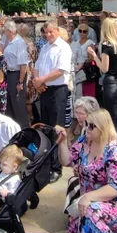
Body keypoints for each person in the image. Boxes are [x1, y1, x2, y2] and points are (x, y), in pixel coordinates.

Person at [33, 20, 73, 183]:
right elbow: (37, 66)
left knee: (57, 128)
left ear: (57, 31)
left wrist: (41, 79)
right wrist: (37, 81)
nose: (48, 35)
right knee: (47, 128)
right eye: (46, 32)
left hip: (58, 91)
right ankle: (48, 163)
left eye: (51, 32)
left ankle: (57, 167)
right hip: (45, 90)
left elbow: (60, 71)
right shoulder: (45, 47)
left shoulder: (63, 47)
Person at [91, 17, 117, 141]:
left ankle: (116, 145)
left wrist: (95, 57)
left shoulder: (106, 45)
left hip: (111, 84)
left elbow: (104, 68)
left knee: (113, 118)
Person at [1, 21, 29, 127]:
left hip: (16, 74)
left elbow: (23, 65)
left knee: (18, 105)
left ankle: (23, 129)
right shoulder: (10, 42)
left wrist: (20, 82)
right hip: (9, 74)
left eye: (5, 31)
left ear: (9, 31)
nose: (4, 34)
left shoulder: (19, 42)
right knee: (10, 105)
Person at [72, 23, 98, 100]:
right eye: (80, 31)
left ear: (87, 32)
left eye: (84, 31)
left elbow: (91, 58)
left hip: (86, 71)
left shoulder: (90, 43)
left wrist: (82, 62)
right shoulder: (76, 43)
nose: (82, 33)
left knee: (88, 95)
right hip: (77, 69)